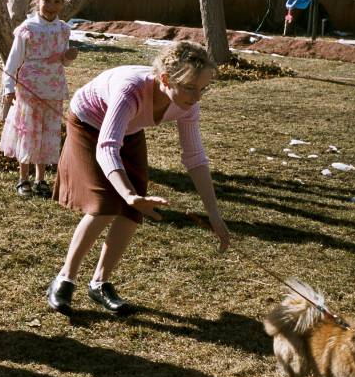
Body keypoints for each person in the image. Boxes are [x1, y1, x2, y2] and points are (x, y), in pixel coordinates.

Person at [46, 40, 230, 315]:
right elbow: (107, 147)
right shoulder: (130, 90)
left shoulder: (188, 104)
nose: (197, 97)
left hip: (128, 130)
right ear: (165, 79)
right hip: (89, 122)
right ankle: (65, 278)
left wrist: (213, 213)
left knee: (135, 210)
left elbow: (194, 157)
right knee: (105, 205)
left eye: (203, 88)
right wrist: (128, 194)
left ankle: (99, 283)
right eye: (190, 88)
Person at [0, 0, 77, 198]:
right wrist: (9, 87)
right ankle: (23, 178)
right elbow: (13, 62)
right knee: (29, 132)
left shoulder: (63, 30)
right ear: (37, 0)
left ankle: (40, 179)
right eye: (46, 0)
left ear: (62, 4)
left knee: (46, 132)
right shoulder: (28, 29)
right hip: (30, 89)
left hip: (53, 88)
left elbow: (63, 60)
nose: (51, 6)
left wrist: (68, 57)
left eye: (56, 2)